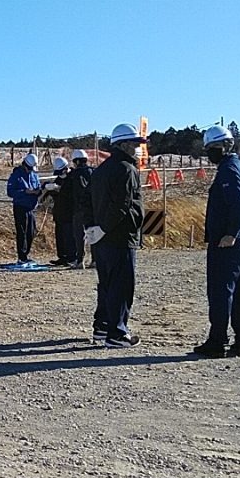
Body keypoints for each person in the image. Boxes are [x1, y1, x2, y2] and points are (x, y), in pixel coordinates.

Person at [193, 125, 240, 358]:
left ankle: (217, 341)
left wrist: (231, 233)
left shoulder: (228, 170)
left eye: (213, 147)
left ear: (226, 146)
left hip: (228, 242)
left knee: (220, 291)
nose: (210, 152)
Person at [89, 124, 146, 347]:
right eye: (134, 143)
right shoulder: (126, 169)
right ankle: (117, 333)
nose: (137, 148)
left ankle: (102, 327)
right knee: (121, 286)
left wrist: (92, 229)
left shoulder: (101, 170)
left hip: (101, 239)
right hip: (121, 236)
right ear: (122, 145)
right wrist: (105, 227)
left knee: (106, 284)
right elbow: (122, 205)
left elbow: (87, 202)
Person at [6, 153, 43, 263]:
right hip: (20, 207)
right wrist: (25, 192)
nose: (30, 170)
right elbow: (10, 192)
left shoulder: (34, 175)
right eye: (29, 168)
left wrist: (38, 191)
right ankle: (22, 257)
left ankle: (26, 254)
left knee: (31, 232)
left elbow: (38, 186)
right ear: (24, 165)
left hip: (31, 208)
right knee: (22, 232)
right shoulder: (16, 175)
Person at [49, 156, 77, 266]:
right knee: (60, 236)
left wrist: (60, 190)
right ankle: (62, 257)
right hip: (59, 212)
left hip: (70, 212)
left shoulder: (73, 177)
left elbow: (73, 194)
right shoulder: (59, 179)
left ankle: (72, 257)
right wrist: (52, 190)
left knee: (70, 236)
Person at [69, 149, 94, 268]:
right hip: (93, 208)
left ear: (77, 161)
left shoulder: (74, 174)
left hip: (79, 208)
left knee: (79, 235)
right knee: (93, 234)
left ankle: (80, 260)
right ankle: (95, 260)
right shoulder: (93, 172)